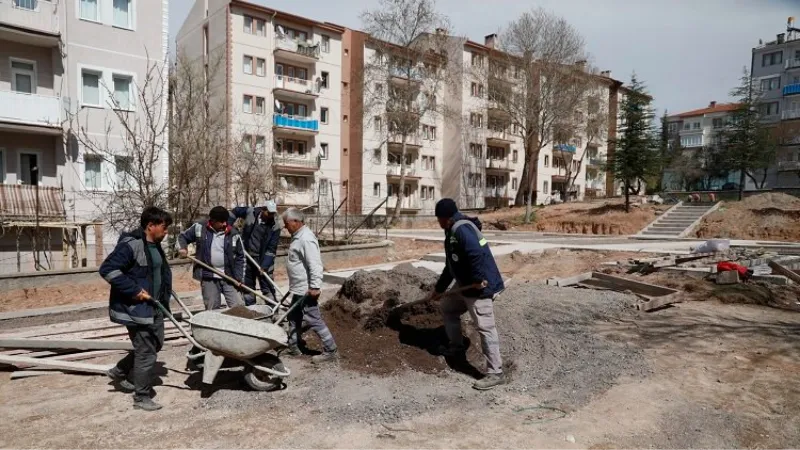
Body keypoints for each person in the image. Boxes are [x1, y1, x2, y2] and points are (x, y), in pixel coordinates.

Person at [429, 198, 506, 390]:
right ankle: (456, 347)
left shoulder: (462, 229)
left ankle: (495, 372)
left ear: (445, 218)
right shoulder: (452, 230)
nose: (438, 222)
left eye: (438, 218)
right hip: (465, 284)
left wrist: (479, 280)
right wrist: (439, 290)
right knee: (448, 307)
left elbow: (476, 254)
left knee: (485, 326)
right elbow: (450, 266)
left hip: (480, 286)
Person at [100, 206, 173, 411]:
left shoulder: (155, 245)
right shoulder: (131, 246)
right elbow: (107, 270)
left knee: (155, 344)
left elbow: (156, 272)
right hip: (136, 308)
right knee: (146, 352)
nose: (166, 232)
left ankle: (121, 370)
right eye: (164, 227)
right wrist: (134, 290)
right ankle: (141, 397)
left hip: (155, 305)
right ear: (150, 226)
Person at [281, 207, 338, 363]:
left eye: (286, 223)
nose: (285, 227)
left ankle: (331, 349)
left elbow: (315, 264)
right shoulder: (298, 236)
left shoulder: (306, 238)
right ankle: (294, 346)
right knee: (293, 317)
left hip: (306, 290)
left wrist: (314, 286)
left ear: (296, 221)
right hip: (298, 288)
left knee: (314, 319)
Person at [178, 206, 245, 310]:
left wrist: (239, 277)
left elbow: (241, 257)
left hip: (229, 276)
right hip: (209, 275)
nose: (224, 224)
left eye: (225, 221)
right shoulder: (200, 227)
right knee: (212, 309)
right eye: (221, 221)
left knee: (239, 308)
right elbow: (182, 237)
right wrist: (183, 248)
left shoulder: (233, 233)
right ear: (212, 220)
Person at [230, 200, 282, 305]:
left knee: (267, 287)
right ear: (263, 210)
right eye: (269, 213)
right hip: (247, 256)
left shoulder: (275, 226)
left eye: (273, 213)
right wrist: (229, 226)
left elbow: (271, 249)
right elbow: (234, 212)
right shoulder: (250, 212)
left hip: (262, 259)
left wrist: (265, 265)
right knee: (248, 287)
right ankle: (252, 310)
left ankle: (273, 309)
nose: (271, 215)